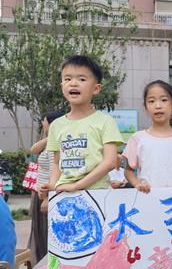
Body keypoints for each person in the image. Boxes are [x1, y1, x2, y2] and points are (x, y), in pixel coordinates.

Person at [43, 56, 124, 193]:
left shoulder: (105, 121)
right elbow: (57, 163)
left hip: (97, 192)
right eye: (67, 79)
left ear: (96, 88)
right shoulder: (56, 125)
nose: (73, 84)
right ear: (62, 87)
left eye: (81, 79)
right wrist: (51, 186)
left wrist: (77, 186)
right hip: (63, 192)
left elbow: (110, 162)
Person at [28, 110, 64, 263]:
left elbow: (53, 171)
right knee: (41, 233)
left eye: (44, 121)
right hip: (42, 193)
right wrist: (51, 135)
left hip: (47, 195)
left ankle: (46, 265)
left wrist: (47, 198)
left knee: (45, 234)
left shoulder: (54, 146)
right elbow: (33, 150)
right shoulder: (51, 141)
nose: (43, 124)